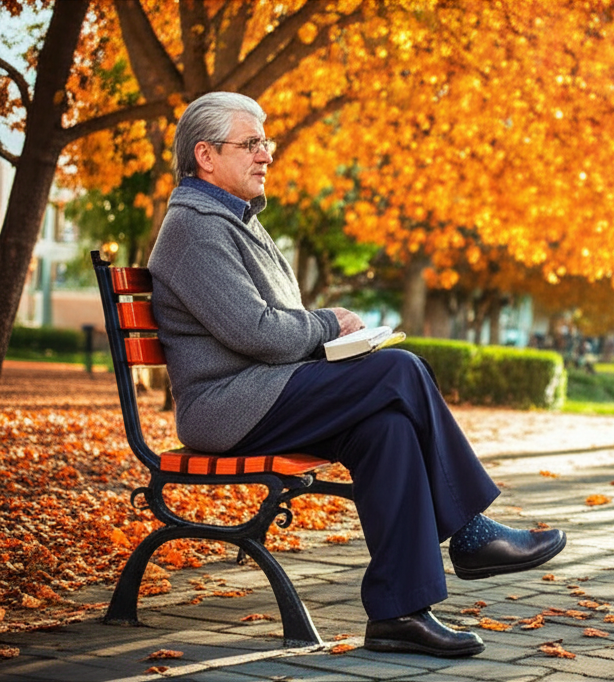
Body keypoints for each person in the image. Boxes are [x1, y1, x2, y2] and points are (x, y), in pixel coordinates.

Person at [147, 92, 565, 658]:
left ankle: (399, 613)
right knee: (399, 369)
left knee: (386, 428)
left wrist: (326, 339)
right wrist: (330, 323)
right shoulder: (195, 229)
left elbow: (274, 329)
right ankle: (471, 535)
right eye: (251, 144)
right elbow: (259, 332)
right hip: (229, 407)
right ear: (206, 156)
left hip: (268, 392)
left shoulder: (235, 222)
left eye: (265, 142)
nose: (266, 155)